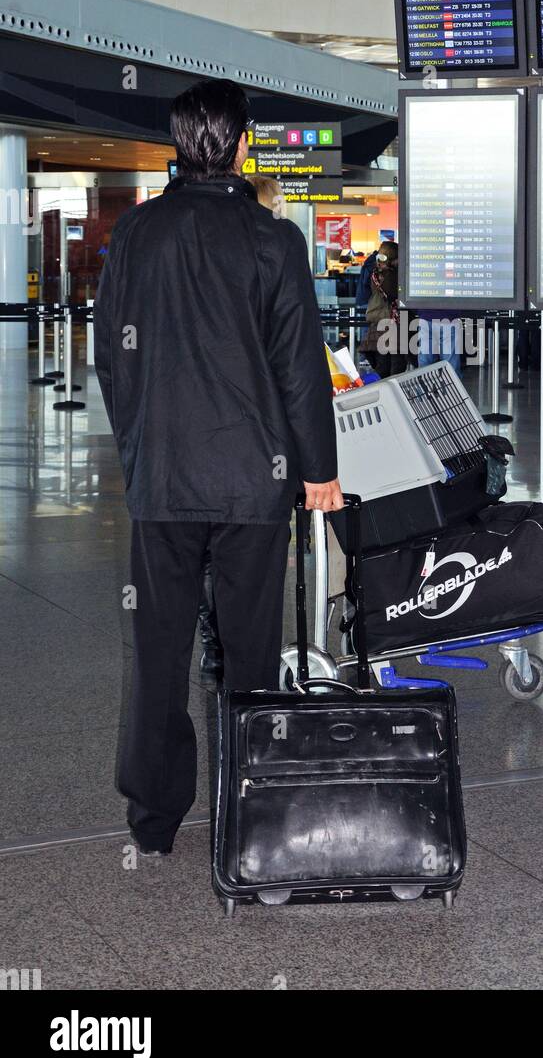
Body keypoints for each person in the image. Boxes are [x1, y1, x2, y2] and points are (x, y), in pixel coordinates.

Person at [95, 78, 343, 857]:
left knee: (158, 652)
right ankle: (250, 805)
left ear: (179, 145)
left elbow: (110, 357)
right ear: (242, 144)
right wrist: (317, 470)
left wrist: (141, 444)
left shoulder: (137, 234)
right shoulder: (273, 240)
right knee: (250, 649)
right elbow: (300, 367)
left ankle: (154, 818)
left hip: (163, 481)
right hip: (252, 479)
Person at [196, 170, 285, 682]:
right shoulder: (270, 254)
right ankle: (238, 656)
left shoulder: (201, 262)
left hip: (197, 439)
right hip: (252, 442)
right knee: (242, 559)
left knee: (208, 552)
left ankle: (214, 641)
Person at [362, 240, 403, 377]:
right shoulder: (391, 275)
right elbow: (393, 294)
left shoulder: (374, 272)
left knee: (383, 365)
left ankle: (384, 394)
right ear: (392, 259)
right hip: (392, 323)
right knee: (396, 366)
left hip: (378, 322)